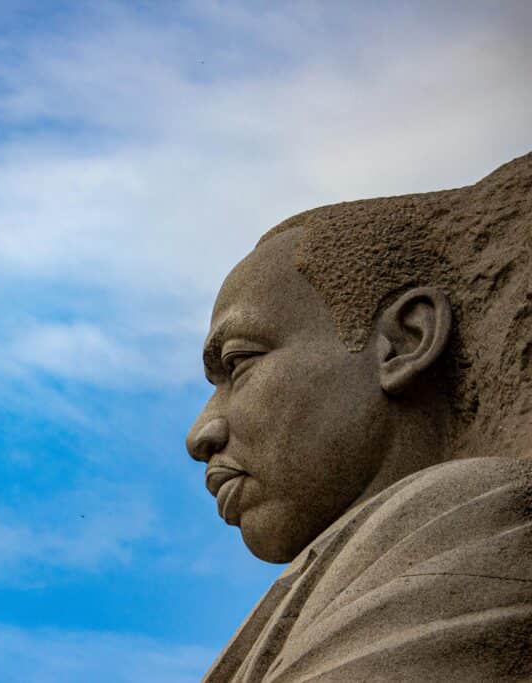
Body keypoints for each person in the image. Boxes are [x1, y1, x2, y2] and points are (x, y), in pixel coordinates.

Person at [185, 152, 532, 681]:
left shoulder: (476, 516)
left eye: (240, 362)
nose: (200, 433)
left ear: (404, 341)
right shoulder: (344, 574)